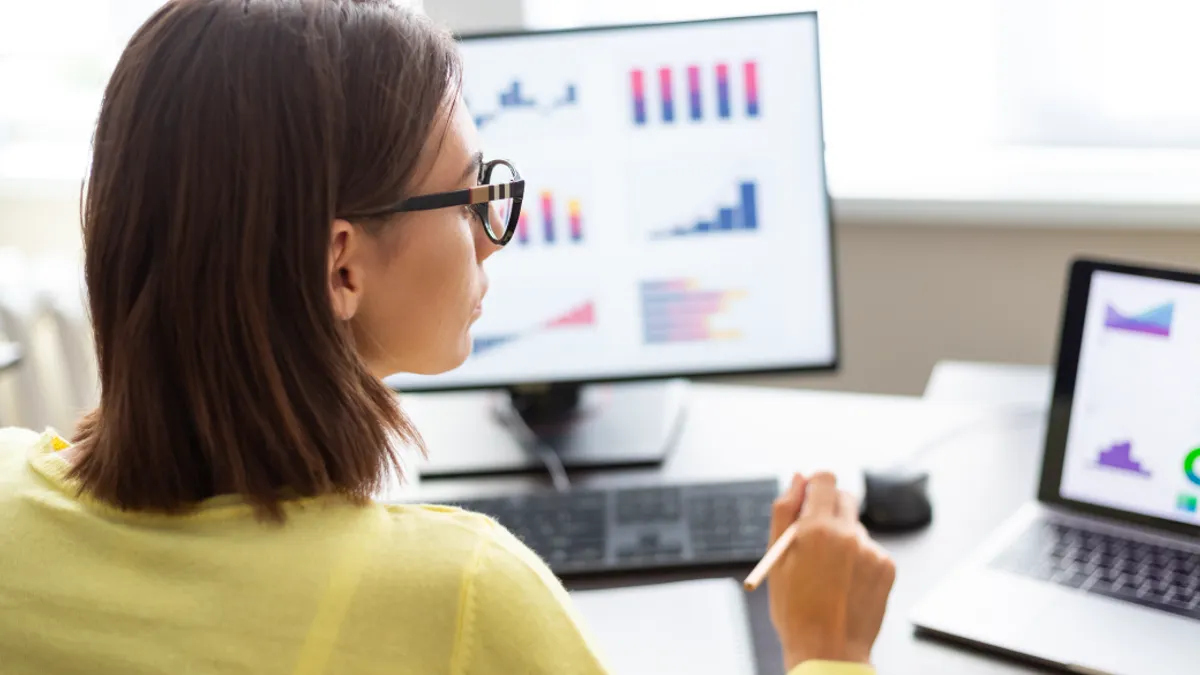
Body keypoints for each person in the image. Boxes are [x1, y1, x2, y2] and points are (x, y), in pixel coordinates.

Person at [0, 1, 896, 673]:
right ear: (341, 266)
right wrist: (825, 649)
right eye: (472, 196)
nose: (492, 231)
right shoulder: (465, 600)